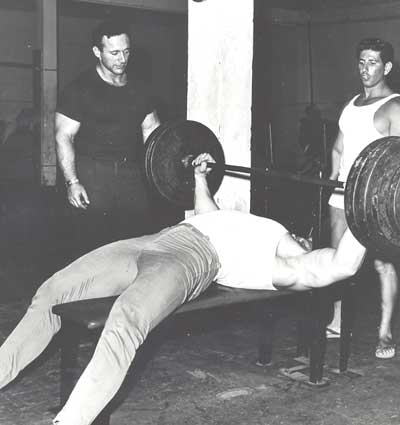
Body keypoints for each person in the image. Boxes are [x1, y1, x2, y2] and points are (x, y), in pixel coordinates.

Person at [0, 152, 366, 425]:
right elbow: (207, 214)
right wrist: (200, 174)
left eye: (309, 244)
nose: (305, 242)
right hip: (160, 238)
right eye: (306, 239)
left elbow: (340, 264)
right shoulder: (260, 223)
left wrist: (365, 205)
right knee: (52, 291)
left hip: (192, 258)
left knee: (126, 320)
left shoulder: (280, 267)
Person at [55, 19, 162, 256]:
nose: (122, 59)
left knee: (133, 244)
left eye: (126, 51)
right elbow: (64, 136)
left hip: (131, 174)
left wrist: (155, 175)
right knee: (91, 247)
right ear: (97, 52)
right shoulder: (78, 89)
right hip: (92, 174)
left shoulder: (141, 89)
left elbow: (152, 130)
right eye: (114, 53)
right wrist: (72, 182)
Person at [327, 38, 400, 359]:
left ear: (386, 67)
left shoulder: (394, 107)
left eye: (372, 62)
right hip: (342, 195)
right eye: (361, 62)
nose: (364, 69)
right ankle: (337, 322)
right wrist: (328, 183)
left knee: (383, 264)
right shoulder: (351, 103)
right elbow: (338, 148)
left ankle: (384, 332)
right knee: (336, 262)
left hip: (375, 203)